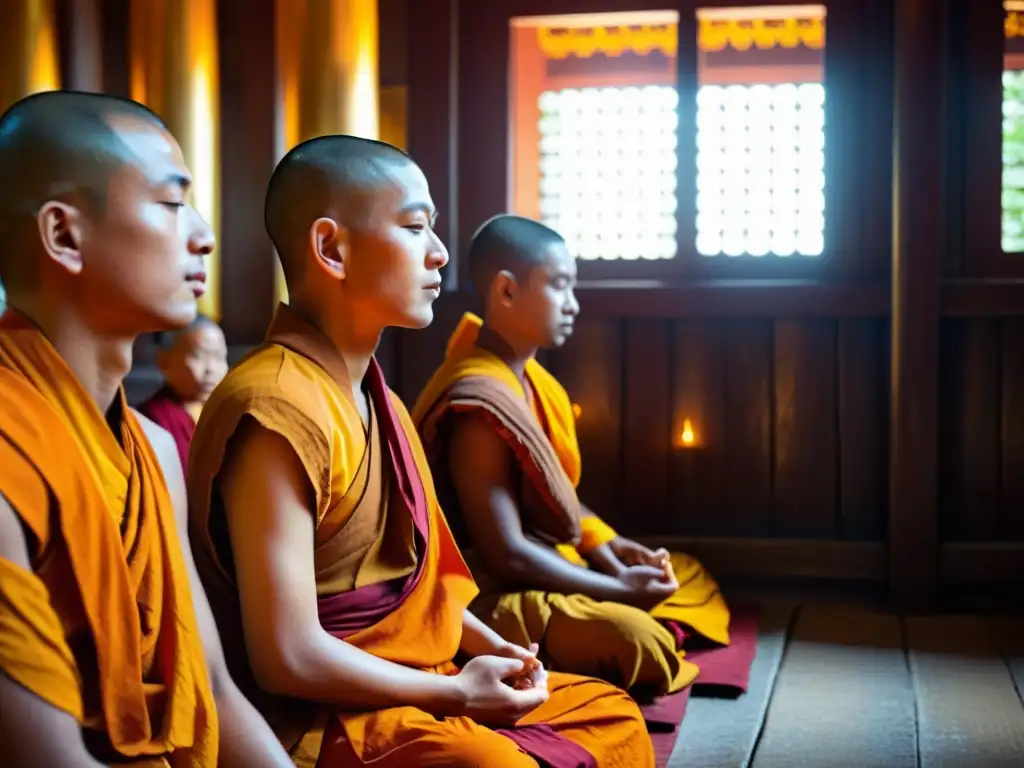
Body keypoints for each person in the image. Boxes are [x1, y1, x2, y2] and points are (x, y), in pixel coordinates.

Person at [186, 135, 654, 767]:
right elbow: (286, 658)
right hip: (322, 715)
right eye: (414, 228)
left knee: (610, 713)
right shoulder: (272, 408)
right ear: (331, 249)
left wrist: (499, 653)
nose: (438, 256)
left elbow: (426, 589)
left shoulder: (385, 405)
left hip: (416, 678)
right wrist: (455, 693)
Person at [0, 91, 293, 767]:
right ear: (64, 236)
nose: (205, 236)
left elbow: (213, 689)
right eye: (170, 203)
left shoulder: (155, 453)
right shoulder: (11, 452)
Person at [411, 214, 732, 698]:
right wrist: (618, 589)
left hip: (547, 563)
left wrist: (615, 551)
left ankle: (627, 608)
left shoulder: (533, 381)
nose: (573, 305)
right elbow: (505, 551)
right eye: (560, 286)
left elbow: (553, 498)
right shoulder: (478, 399)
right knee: (637, 641)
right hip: (486, 592)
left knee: (687, 571)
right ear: (507, 292)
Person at [139, 314, 229, 472]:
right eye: (198, 356)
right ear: (164, 361)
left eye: (219, 357)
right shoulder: (153, 419)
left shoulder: (227, 412)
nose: (211, 369)